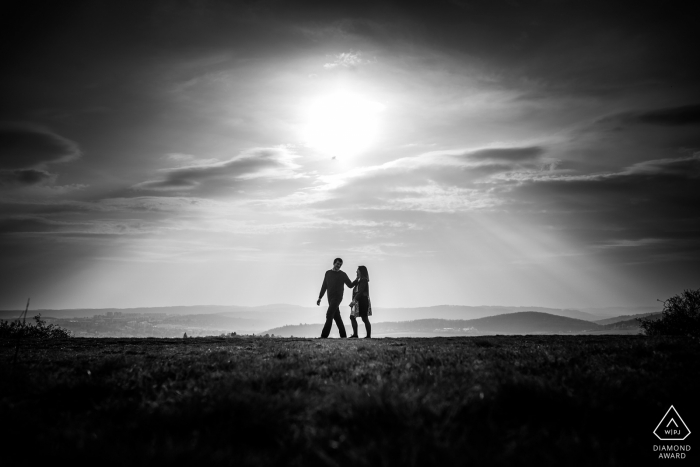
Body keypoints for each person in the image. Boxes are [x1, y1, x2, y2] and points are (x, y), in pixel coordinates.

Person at [317, 258, 357, 338]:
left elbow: (350, 285)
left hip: (337, 297)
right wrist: (320, 297)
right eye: (337, 264)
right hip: (330, 298)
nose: (339, 266)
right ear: (334, 263)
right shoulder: (328, 273)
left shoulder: (342, 274)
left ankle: (324, 336)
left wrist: (357, 279)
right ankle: (343, 336)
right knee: (337, 317)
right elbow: (324, 286)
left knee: (329, 314)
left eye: (340, 265)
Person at [348, 265, 371, 338]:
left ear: (361, 271)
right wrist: (356, 278)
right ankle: (355, 334)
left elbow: (360, 292)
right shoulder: (359, 280)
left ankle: (367, 336)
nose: (356, 271)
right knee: (352, 316)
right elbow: (351, 285)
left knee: (364, 318)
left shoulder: (364, 280)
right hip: (358, 301)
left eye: (357, 270)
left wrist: (354, 300)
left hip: (362, 301)